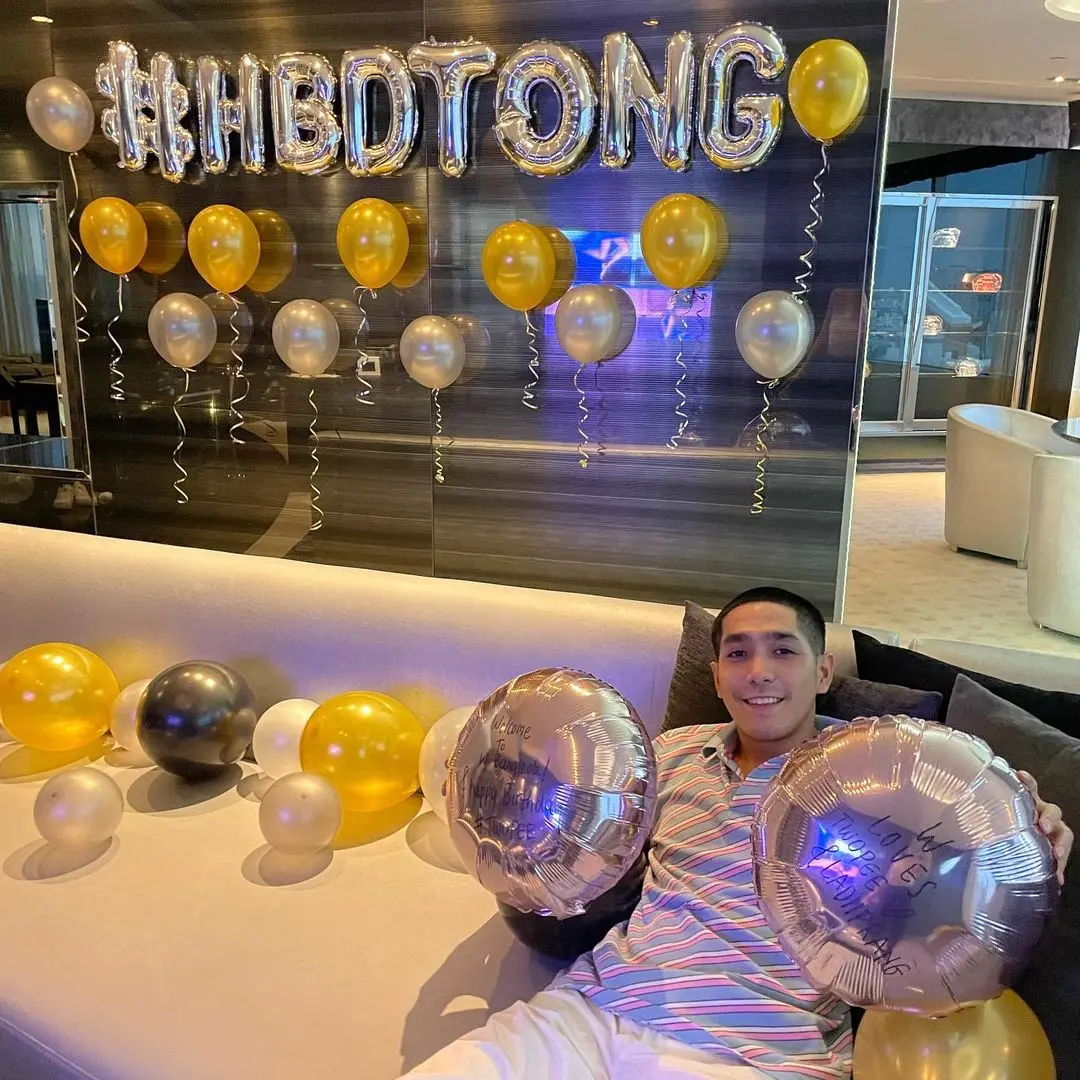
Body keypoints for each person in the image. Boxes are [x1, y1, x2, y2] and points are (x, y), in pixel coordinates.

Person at [403, 587, 1074, 1080]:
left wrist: (1031, 830)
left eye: (782, 650)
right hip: (593, 1011)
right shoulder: (664, 753)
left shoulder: (882, 770)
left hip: (762, 1052)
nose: (759, 671)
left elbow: (975, 833)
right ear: (717, 676)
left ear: (822, 672)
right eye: (737, 653)